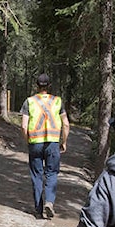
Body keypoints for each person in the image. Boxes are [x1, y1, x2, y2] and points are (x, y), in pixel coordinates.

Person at [20, 73, 69, 219]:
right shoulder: (57, 101)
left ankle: (38, 208)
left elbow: (24, 126)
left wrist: (27, 140)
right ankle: (49, 201)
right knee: (52, 173)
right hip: (53, 142)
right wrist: (64, 141)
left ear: (37, 85)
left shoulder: (29, 101)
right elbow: (66, 123)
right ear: (49, 85)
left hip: (35, 142)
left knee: (36, 175)